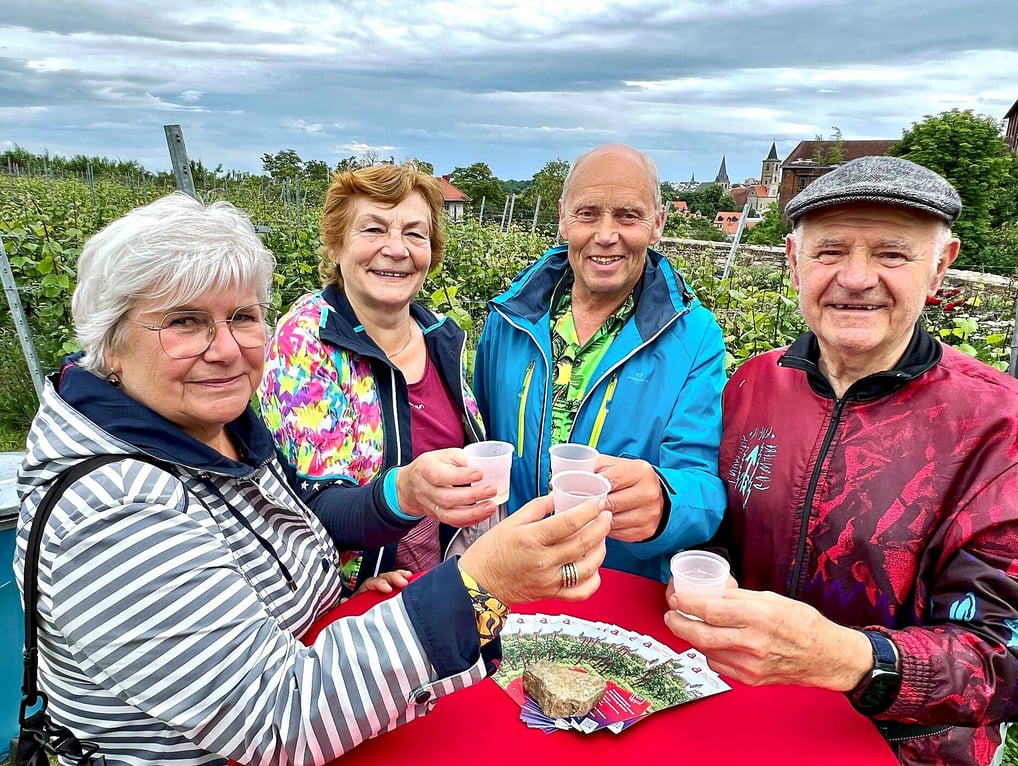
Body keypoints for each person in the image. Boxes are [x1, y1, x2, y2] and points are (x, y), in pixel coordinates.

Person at [13, 192, 612, 766]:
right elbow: (276, 720)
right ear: (111, 343)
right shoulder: (113, 509)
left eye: (242, 316)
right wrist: (480, 584)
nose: (225, 349)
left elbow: (275, 573)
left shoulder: (218, 434)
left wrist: (346, 599)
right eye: (184, 322)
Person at [665, 156, 1018, 766]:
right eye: (830, 251)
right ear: (794, 261)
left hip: (901, 751)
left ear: (939, 266)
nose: (856, 278)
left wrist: (850, 659)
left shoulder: (1001, 427)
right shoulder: (753, 384)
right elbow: (724, 526)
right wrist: (701, 565)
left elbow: (1008, 656)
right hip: (741, 717)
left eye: (892, 254)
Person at [473, 143, 727, 582]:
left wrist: (666, 501)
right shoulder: (509, 319)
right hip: (507, 576)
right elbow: (478, 436)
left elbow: (703, 485)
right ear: (563, 218)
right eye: (587, 214)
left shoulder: (695, 337)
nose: (606, 235)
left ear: (658, 223)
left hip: (612, 587)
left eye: (628, 216)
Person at [259, 163, 500, 593]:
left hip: (445, 577)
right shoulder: (307, 341)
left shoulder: (440, 336)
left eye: (415, 234)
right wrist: (403, 493)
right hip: (362, 596)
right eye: (373, 230)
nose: (396, 248)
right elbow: (312, 506)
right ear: (336, 247)